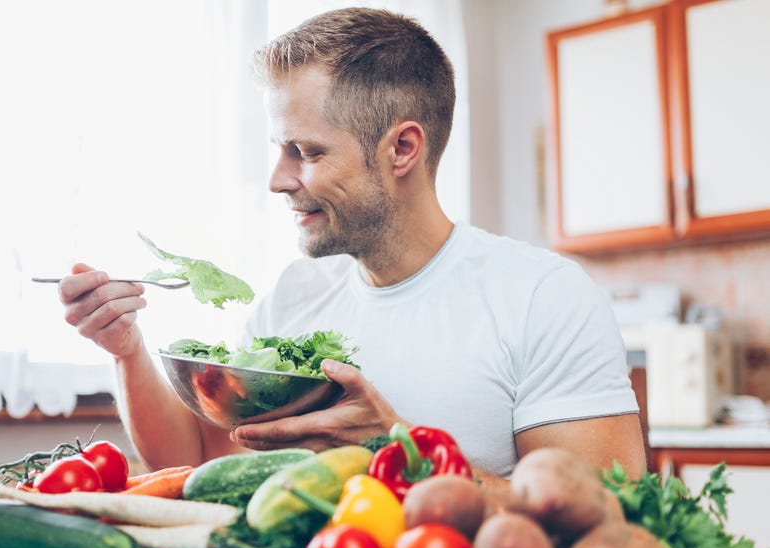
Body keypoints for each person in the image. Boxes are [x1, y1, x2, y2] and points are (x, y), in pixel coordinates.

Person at [56, 7, 646, 492]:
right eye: (278, 149)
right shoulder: (293, 297)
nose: (277, 180)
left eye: (306, 152)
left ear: (403, 149)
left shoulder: (544, 300)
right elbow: (200, 459)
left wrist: (392, 446)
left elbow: (603, 517)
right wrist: (126, 350)